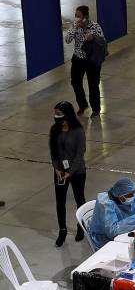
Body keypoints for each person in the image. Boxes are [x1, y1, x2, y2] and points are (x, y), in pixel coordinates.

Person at [50, 101, 86, 247]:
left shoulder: (78, 131)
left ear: (67, 114)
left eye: (59, 114)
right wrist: (56, 168)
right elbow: (53, 151)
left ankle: (81, 226)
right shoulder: (54, 129)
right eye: (55, 113)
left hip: (77, 172)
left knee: (79, 198)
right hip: (60, 172)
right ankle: (62, 230)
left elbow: (80, 153)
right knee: (60, 201)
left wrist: (70, 172)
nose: (56, 116)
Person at [88, 178, 135, 251]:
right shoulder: (105, 204)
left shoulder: (126, 194)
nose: (133, 197)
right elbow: (112, 231)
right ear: (120, 195)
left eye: (133, 193)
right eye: (130, 195)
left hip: (123, 230)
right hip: (104, 239)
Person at [64, 5, 104, 117]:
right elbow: (67, 40)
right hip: (78, 59)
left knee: (93, 84)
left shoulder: (94, 26)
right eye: (75, 15)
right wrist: (74, 28)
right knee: (75, 82)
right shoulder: (75, 26)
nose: (76, 18)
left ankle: (96, 109)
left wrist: (93, 38)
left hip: (91, 61)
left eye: (79, 16)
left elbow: (102, 41)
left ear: (85, 17)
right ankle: (82, 104)